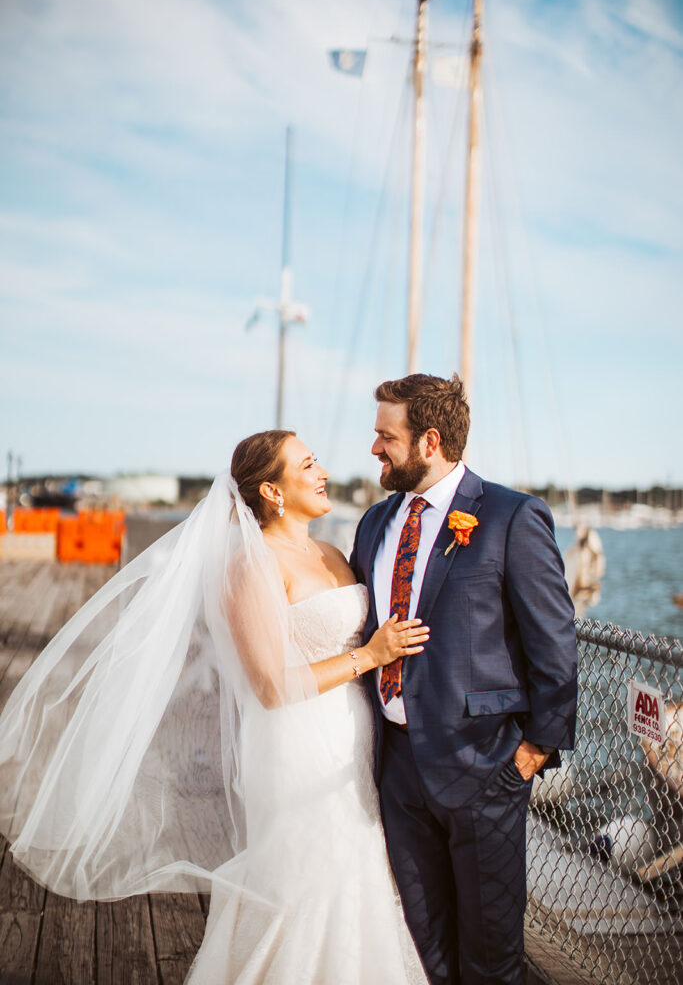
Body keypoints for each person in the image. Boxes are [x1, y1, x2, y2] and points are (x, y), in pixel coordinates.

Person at [0, 430, 428, 984]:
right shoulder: (250, 567)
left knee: (357, 874)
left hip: (352, 740)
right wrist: (370, 657)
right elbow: (271, 686)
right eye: (308, 463)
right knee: (310, 878)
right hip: (297, 744)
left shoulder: (331, 553)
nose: (323, 471)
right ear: (272, 491)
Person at [350, 373, 578, 985]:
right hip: (396, 769)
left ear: (428, 441)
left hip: (486, 768)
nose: (374, 448)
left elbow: (554, 643)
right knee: (421, 947)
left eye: (384, 436)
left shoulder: (511, 516)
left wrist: (532, 752)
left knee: (491, 957)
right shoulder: (374, 524)